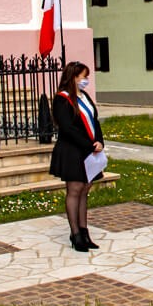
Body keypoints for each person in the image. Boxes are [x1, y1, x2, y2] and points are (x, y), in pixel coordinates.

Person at [50, 61, 106, 251]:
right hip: (72, 150)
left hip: (89, 150)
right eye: (83, 76)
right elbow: (67, 128)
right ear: (73, 77)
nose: (86, 80)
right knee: (74, 190)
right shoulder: (62, 99)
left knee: (84, 191)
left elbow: (94, 121)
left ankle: (84, 232)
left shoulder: (85, 97)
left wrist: (99, 141)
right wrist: (88, 145)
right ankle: (75, 235)